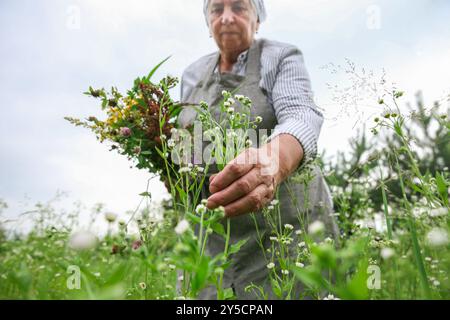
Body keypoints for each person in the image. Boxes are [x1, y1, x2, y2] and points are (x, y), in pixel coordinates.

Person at [178, 0, 338, 299]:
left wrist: (272, 162)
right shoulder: (192, 74)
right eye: (216, 9)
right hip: (213, 232)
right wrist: (175, 169)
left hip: (283, 226)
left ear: (257, 19)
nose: (226, 18)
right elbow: (186, 138)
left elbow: (301, 113)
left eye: (238, 7)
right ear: (207, 20)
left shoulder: (280, 56)